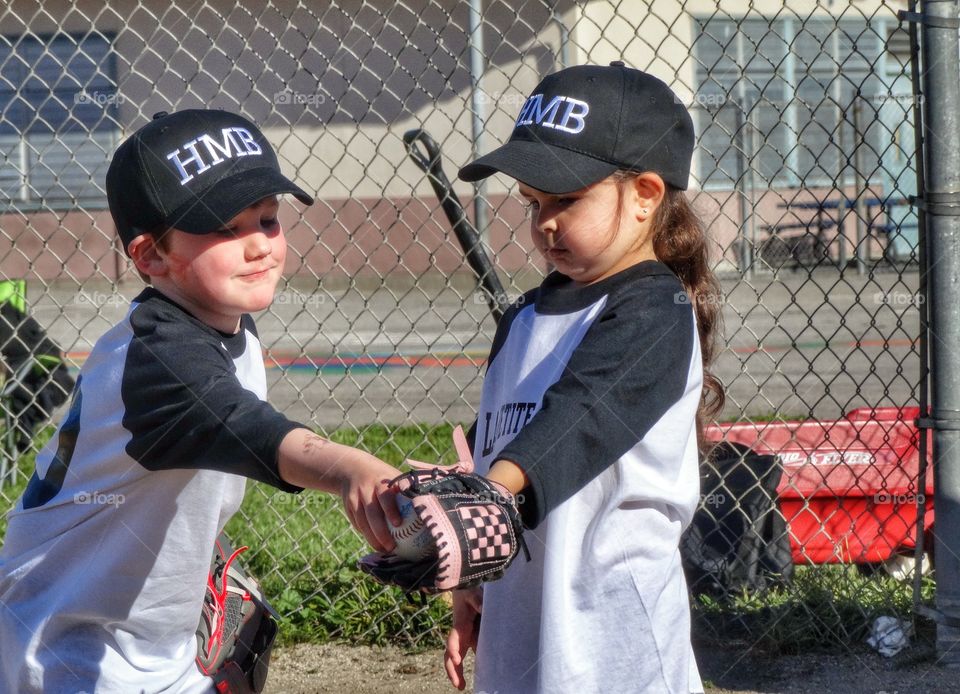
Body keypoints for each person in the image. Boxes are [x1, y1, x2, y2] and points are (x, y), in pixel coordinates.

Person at [0, 109, 402, 693]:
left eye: (267, 218)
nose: (258, 245)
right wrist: (351, 469)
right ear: (151, 257)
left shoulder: (225, 321)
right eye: (224, 227)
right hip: (69, 642)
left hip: (144, 636)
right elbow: (243, 425)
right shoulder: (156, 357)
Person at [444, 63, 725, 693]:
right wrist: (473, 576)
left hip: (613, 631)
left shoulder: (656, 312)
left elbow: (577, 418)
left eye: (567, 198)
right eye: (533, 202)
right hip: (522, 613)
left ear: (646, 194)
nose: (544, 221)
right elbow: (496, 441)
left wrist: (483, 503)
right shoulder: (522, 319)